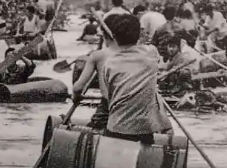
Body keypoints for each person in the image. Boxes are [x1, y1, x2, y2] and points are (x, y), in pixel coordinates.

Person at [100, 13, 173, 142]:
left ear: (114, 37)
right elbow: (147, 43)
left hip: (116, 128)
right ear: (139, 34)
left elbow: (109, 95)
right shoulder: (151, 53)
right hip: (143, 130)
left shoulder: (109, 64)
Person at [72, 20, 117, 130]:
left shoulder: (98, 56)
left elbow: (77, 87)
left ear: (104, 36)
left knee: (96, 124)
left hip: (110, 107)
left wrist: (76, 96)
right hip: (138, 110)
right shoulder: (143, 54)